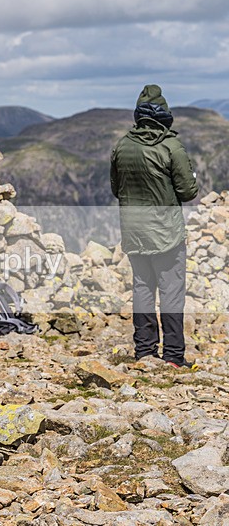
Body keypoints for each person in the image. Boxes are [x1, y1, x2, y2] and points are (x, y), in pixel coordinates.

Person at [110, 84, 198, 368]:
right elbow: (188, 191)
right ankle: (173, 357)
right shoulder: (171, 146)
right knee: (171, 290)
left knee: (142, 288)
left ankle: (145, 352)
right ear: (165, 116)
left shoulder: (122, 145)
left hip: (134, 231)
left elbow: (116, 189)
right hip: (167, 233)